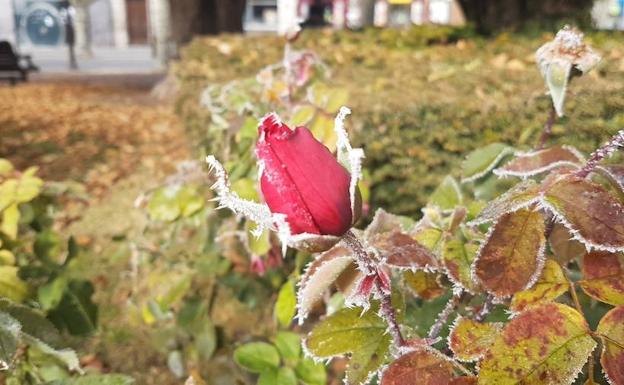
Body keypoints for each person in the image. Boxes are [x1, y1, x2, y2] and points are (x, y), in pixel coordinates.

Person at [59, 1, 78, 70]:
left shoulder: (69, 10)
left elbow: (64, 20)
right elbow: (63, 20)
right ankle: (72, 62)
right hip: (68, 29)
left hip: (70, 29)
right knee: (70, 47)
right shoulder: (66, 10)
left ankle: (72, 62)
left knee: (71, 47)